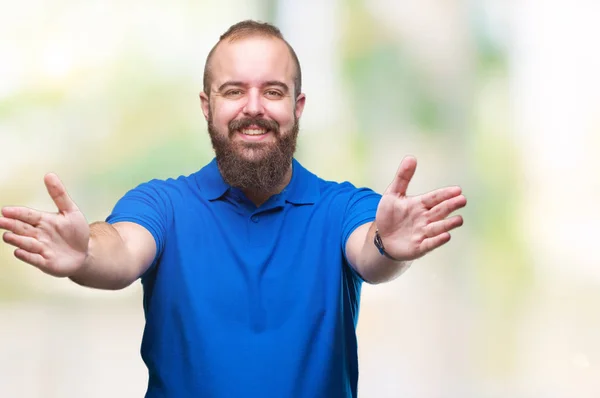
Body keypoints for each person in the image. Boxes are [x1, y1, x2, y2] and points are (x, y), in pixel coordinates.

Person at [0, 20, 466, 398]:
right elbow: (119, 248)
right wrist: (83, 256)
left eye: (274, 91)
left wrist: (392, 246)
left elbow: (371, 250)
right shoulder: (163, 204)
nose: (253, 108)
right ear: (207, 105)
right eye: (233, 91)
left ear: (298, 106)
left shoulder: (342, 206)